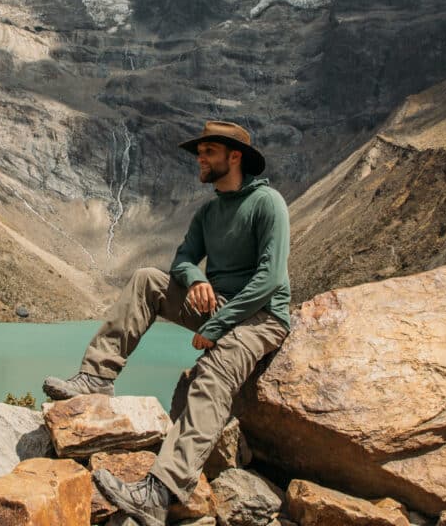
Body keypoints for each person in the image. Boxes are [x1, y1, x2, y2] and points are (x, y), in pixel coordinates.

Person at [43, 120, 292, 526]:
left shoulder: (268, 204)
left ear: (235, 157)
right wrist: (196, 280)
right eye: (200, 151)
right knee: (147, 281)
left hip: (261, 316)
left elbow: (270, 280)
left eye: (208, 151)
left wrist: (216, 326)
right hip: (219, 305)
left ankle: (160, 492)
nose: (199, 158)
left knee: (213, 372)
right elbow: (182, 260)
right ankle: (96, 376)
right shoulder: (209, 211)